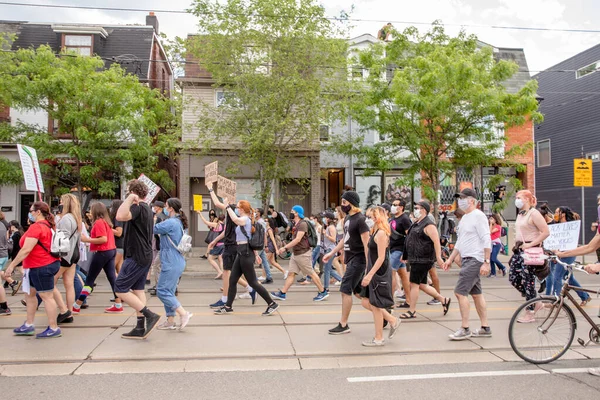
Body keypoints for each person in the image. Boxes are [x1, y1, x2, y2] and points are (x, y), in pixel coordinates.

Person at [5, 202, 61, 338]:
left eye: (31, 211)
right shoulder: (48, 225)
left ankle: (53, 327)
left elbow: (26, 249)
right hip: (39, 265)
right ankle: (29, 324)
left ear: (38, 212)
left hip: (41, 265)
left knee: (46, 296)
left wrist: (12, 266)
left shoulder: (37, 227)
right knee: (30, 294)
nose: (29, 213)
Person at [214, 199, 279, 316]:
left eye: (238, 208)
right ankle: (228, 306)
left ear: (242, 209)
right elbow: (249, 239)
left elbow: (235, 219)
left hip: (245, 253)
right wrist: (256, 254)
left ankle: (272, 303)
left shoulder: (244, 220)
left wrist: (227, 206)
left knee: (253, 282)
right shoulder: (247, 220)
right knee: (232, 280)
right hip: (242, 252)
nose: (237, 210)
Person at [443, 188, 492, 340]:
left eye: (463, 198)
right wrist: (450, 259)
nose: (460, 201)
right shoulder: (465, 218)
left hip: (475, 259)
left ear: (472, 200)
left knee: (459, 292)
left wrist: (486, 261)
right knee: (477, 294)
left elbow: (486, 238)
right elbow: (460, 242)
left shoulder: (479, 216)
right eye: (459, 198)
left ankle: (465, 328)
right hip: (467, 259)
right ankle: (485, 327)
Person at [115, 180, 160, 339]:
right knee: (138, 289)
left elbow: (120, 215)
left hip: (136, 254)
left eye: (128, 191)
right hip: (144, 254)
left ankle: (149, 315)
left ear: (133, 192)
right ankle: (140, 327)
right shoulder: (147, 209)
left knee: (120, 288)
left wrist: (130, 198)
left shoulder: (137, 207)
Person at [323, 191, 370, 335]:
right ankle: (384, 313)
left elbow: (366, 243)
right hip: (351, 260)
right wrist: (332, 252)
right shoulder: (349, 219)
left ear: (351, 203)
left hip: (359, 260)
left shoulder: (360, 220)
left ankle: (343, 324)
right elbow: (345, 239)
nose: (342, 205)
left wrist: (369, 267)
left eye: (344, 202)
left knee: (345, 290)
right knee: (358, 292)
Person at [400, 200, 450, 319]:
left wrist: (438, 257)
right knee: (422, 285)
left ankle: (412, 311)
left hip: (423, 259)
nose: (415, 210)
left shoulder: (429, 225)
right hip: (416, 258)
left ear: (423, 210)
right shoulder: (416, 223)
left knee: (414, 284)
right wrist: (405, 255)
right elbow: (409, 240)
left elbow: (436, 242)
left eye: (417, 208)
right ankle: (443, 299)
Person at [207, 185, 254, 308]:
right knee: (232, 272)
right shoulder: (230, 211)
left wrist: (211, 189)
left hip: (233, 245)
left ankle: (225, 299)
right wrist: (214, 240)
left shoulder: (234, 210)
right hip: (230, 245)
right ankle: (250, 288)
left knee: (227, 272)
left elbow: (217, 204)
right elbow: (226, 231)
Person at [360, 206, 401, 346]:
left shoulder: (381, 233)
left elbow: (381, 257)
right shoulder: (375, 231)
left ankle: (379, 338)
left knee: (375, 304)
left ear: (377, 217)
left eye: (370, 217)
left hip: (379, 273)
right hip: (373, 271)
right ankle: (392, 320)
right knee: (366, 301)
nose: (368, 219)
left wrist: (369, 275)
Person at [508, 190, 550, 323]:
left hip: (531, 251)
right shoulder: (521, 214)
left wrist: (531, 244)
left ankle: (530, 311)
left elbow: (545, 232)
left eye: (519, 197)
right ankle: (536, 300)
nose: (517, 200)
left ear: (527, 199)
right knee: (513, 277)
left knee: (528, 280)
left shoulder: (534, 213)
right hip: (519, 251)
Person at [271, 206, 329, 301]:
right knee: (291, 274)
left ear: (297, 213)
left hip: (303, 253)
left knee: (311, 273)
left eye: (292, 211)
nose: (291, 213)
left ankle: (323, 292)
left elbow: (298, 239)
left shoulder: (302, 224)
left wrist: (285, 247)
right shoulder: (296, 224)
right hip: (296, 253)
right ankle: (282, 293)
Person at [74, 202, 122, 314]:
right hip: (111, 250)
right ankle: (118, 303)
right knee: (112, 278)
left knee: (90, 279)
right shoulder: (106, 222)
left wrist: (87, 240)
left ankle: (77, 304)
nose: (89, 212)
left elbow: (103, 239)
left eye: (91, 209)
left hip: (102, 252)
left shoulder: (99, 223)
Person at [154, 198, 193, 330]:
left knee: (162, 291)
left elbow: (153, 229)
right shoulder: (177, 222)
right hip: (176, 260)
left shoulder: (170, 222)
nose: (164, 208)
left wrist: (153, 219)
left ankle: (183, 313)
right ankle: (170, 321)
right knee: (169, 291)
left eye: (165, 206)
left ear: (170, 208)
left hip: (171, 260)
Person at [548, 207, 591, 306]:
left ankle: (556, 299)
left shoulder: (571, 226)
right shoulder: (557, 225)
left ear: (563, 214)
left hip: (569, 253)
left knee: (557, 276)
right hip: (559, 253)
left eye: (557, 212)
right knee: (569, 278)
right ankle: (584, 296)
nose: (555, 214)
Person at [53, 194, 82, 325]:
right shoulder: (76, 218)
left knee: (50, 281)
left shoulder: (65, 219)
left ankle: (63, 310)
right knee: (68, 283)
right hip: (74, 253)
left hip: (65, 254)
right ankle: (69, 311)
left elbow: (61, 237)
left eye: (61, 201)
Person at [388, 199, 412, 309]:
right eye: (392, 204)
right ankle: (408, 300)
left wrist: (405, 252)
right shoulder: (393, 218)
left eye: (395, 205)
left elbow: (410, 236)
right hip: (393, 249)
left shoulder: (405, 219)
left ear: (401, 207)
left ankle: (389, 301)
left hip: (399, 250)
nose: (393, 206)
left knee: (390, 273)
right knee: (403, 275)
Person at [148, 201, 168, 296]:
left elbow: (159, 232)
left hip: (162, 246)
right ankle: (159, 285)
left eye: (155, 207)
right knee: (159, 265)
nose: (154, 208)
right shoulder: (160, 216)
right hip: (160, 245)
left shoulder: (161, 217)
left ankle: (159, 286)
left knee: (157, 265)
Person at [198, 210, 224, 279]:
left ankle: (219, 272)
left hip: (217, 245)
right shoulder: (225, 226)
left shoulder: (217, 225)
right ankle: (223, 273)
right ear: (224, 219)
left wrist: (200, 214)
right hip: (224, 245)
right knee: (220, 259)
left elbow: (205, 222)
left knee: (210, 258)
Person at [320, 211, 342, 291]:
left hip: (331, 249)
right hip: (328, 249)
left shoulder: (331, 227)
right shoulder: (329, 227)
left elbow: (333, 239)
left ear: (328, 219)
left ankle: (326, 288)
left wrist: (326, 235)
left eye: (325, 217)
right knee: (328, 268)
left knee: (326, 269)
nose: (324, 219)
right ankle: (342, 280)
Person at [255, 208, 273, 284]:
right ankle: (269, 277)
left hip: (259, 244)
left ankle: (254, 280)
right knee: (265, 261)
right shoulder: (257, 221)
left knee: (252, 260)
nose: (255, 213)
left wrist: (265, 245)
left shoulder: (261, 222)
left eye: (256, 211)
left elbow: (264, 234)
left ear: (259, 213)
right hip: (260, 244)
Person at [6, 221, 23, 295]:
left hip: (16, 254)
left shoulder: (16, 235)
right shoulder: (20, 233)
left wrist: (7, 236)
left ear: (13, 226)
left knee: (21, 270)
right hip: (19, 253)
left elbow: (10, 244)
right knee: (10, 270)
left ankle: (13, 282)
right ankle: (11, 282)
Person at [110, 200, 126, 274]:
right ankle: (123, 284)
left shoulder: (117, 218)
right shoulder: (123, 217)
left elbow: (119, 232)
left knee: (111, 268)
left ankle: (119, 284)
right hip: (121, 245)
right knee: (119, 268)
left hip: (118, 245)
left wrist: (107, 228)